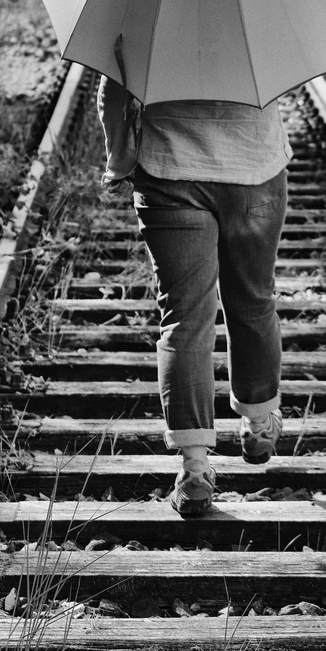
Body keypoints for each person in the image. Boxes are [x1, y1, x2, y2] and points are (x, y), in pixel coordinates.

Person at [97, 64, 292, 517]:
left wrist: (120, 160)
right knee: (253, 302)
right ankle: (260, 424)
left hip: (169, 171)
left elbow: (113, 88)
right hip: (255, 167)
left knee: (184, 319)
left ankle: (195, 469)